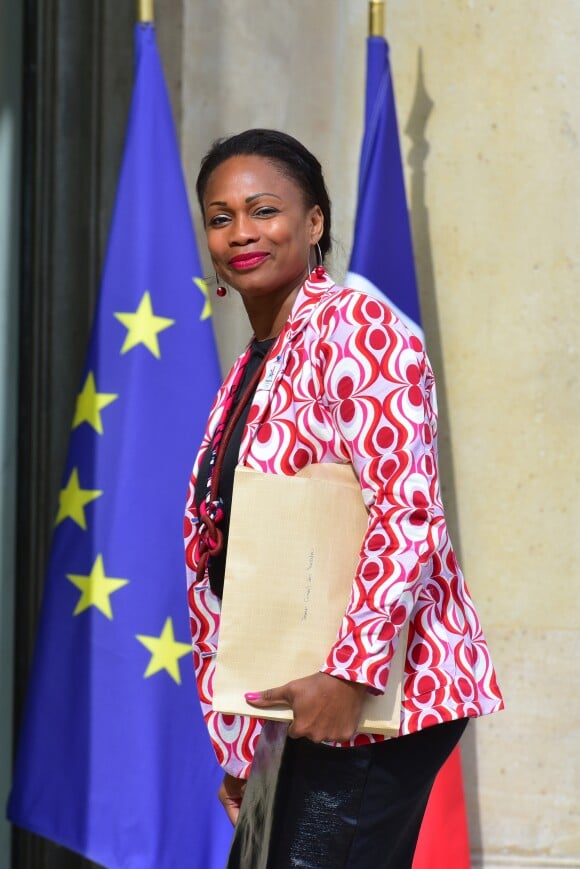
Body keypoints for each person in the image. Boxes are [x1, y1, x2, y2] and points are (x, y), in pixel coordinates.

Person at [184, 128, 504, 868]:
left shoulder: (356, 327)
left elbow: (408, 509)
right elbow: (227, 556)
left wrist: (349, 673)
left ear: (316, 221)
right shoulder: (253, 367)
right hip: (290, 702)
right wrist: (241, 744)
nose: (241, 233)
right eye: (220, 215)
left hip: (365, 695)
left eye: (263, 209)